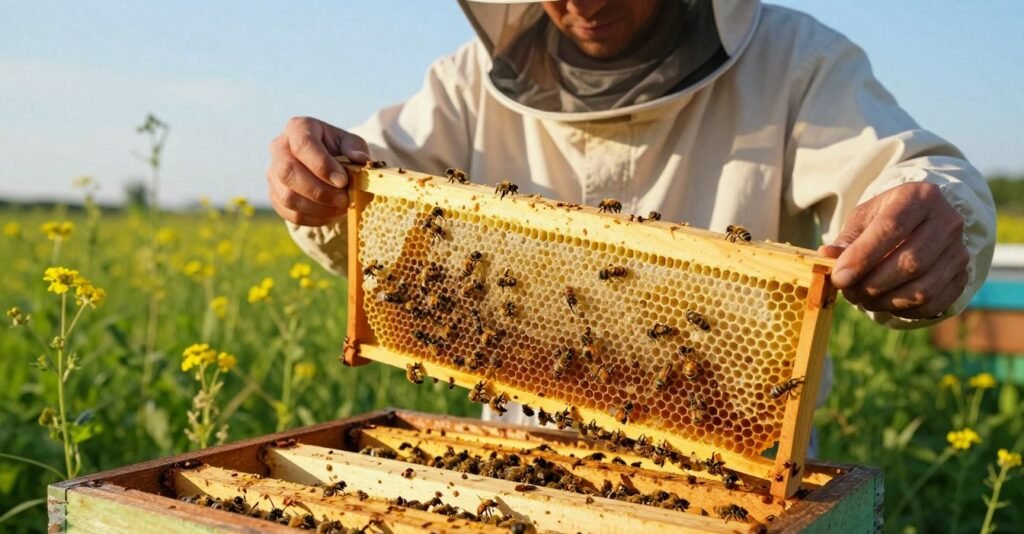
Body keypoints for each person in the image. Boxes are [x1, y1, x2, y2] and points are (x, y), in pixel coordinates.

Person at [266, 0, 996, 427]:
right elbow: (375, 209)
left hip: (736, 474)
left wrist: (939, 214)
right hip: (519, 460)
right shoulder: (464, 86)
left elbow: (913, 169)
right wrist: (321, 188)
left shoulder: (796, 63)